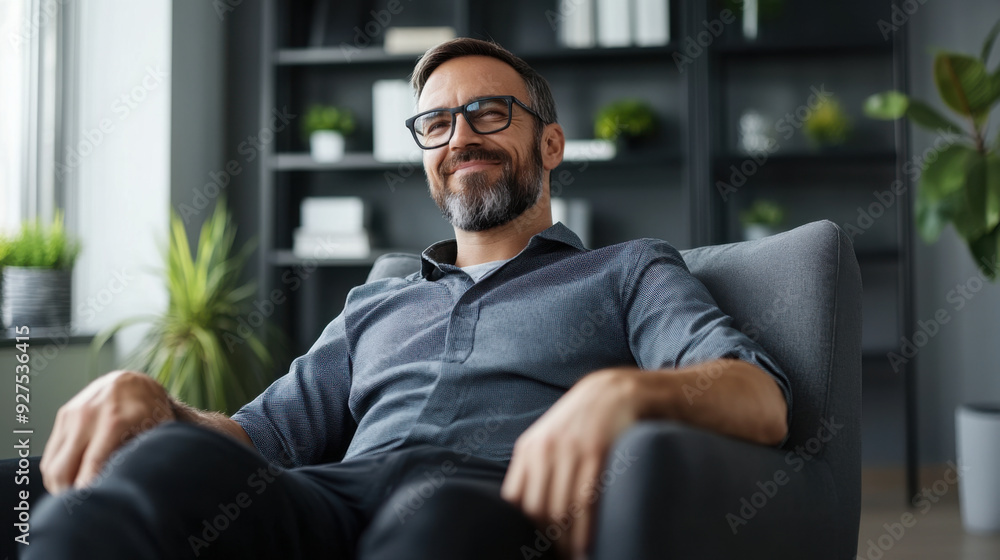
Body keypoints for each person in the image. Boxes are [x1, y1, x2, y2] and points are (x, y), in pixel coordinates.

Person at [27, 38, 791, 560]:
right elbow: (258, 437)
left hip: (484, 502)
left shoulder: (626, 271)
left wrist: (624, 392)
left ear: (550, 145)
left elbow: (760, 395)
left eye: (490, 112)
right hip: (326, 500)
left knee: (442, 525)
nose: (461, 136)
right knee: (162, 467)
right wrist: (157, 404)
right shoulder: (374, 305)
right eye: (435, 122)